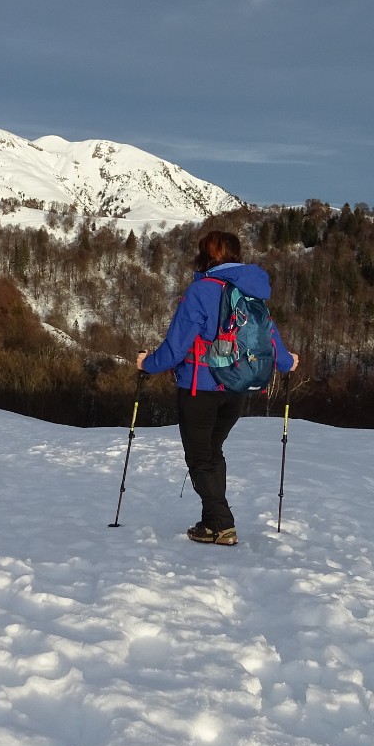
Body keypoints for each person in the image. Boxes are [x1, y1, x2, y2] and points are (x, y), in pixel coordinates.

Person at [136, 230, 299, 545]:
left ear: (204, 257)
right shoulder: (251, 291)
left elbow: (175, 348)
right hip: (236, 388)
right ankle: (213, 522)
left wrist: (147, 364)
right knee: (213, 451)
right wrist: (286, 362)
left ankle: (221, 524)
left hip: (200, 388)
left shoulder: (200, 292)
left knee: (200, 457)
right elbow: (270, 340)